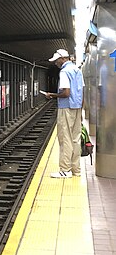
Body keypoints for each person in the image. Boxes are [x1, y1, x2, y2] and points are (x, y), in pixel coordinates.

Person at [44, 49, 84, 178]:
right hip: (77, 107)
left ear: (63, 58)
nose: (55, 63)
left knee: (65, 138)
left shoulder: (65, 72)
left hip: (66, 108)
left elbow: (66, 93)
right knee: (75, 138)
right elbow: (82, 91)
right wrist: (81, 109)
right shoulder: (77, 70)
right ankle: (76, 169)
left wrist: (52, 95)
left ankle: (65, 170)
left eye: (56, 60)